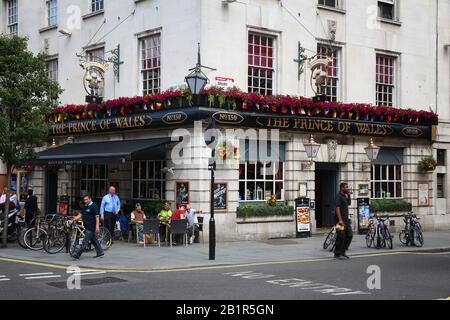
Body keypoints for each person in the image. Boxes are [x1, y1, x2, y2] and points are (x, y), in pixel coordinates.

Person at [71, 194, 104, 260]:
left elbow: (97, 217)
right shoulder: (85, 206)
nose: (85, 201)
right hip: (87, 226)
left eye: (86, 199)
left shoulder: (93, 206)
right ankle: (100, 252)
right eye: (84, 200)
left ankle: (77, 255)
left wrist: (97, 227)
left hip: (91, 227)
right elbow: (80, 214)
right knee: (94, 240)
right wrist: (74, 219)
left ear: (90, 199)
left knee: (84, 242)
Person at [334, 182, 353, 260]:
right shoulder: (338, 196)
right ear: (342, 188)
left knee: (349, 235)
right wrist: (340, 220)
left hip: (346, 220)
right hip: (340, 221)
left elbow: (349, 203)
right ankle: (337, 254)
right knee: (341, 236)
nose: (347, 188)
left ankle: (343, 252)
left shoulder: (344, 196)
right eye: (346, 187)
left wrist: (348, 195)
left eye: (347, 187)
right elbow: (337, 208)